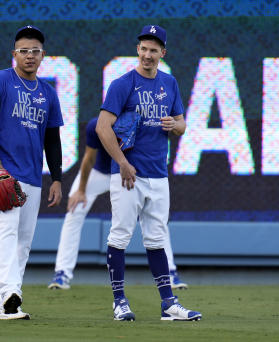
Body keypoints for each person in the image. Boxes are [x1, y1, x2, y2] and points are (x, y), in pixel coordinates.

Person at [95, 24, 201, 321]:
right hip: (129, 174)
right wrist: (123, 163)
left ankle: (169, 304)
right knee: (121, 235)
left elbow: (182, 124)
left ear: (162, 53)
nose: (148, 54)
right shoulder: (122, 84)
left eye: (154, 49)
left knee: (156, 239)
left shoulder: (170, 83)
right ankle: (119, 302)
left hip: (158, 174)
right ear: (137, 50)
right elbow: (103, 127)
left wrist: (175, 125)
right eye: (143, 48)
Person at [0, 25, 64, 320]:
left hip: (32, 176)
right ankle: (8, 296)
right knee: (6, 231)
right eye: (24, 51)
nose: (30, 56)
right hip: (1, 174)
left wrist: (57, 178)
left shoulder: (48, 93)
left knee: (24, 240)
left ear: (43, 55)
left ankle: (11, 296)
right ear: (14, 54)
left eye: (35, 51)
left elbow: (52, 139)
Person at [48, 117, 189, 290]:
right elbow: (89, 159)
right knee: (74, 211)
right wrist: (81, 190)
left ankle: (170, 272)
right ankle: (62, 273)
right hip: (101, 172)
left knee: (156, 219)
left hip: (130, 173)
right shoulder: (96, 125)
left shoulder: (142, 122)